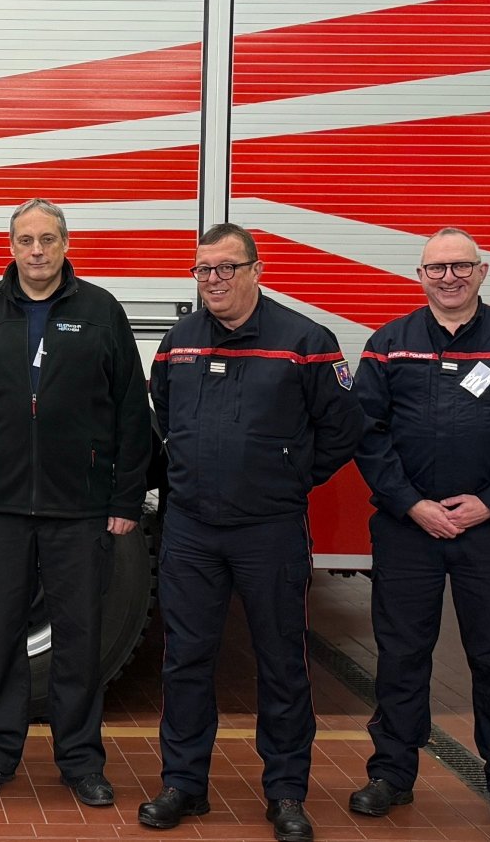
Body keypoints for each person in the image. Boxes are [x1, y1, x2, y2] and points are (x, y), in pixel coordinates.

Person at [139, 223, 362, 842]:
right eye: (202, 270)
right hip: (191, 531)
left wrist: (291, 477)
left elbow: (344, 426)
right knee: (185, 660)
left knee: (281, 663)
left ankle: (287, 793)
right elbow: (163, 414)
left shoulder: (305, 341)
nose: (213, 281)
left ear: (257, 270)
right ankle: (183, 784)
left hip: (269, 530)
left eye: (225, 268)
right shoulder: (177, 343)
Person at [348, 228, 490, 838]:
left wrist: (489, 505)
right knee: (401, 655)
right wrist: (412, 504)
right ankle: (391, 773)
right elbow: (368, 434)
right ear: (420, 275)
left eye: (460, 267)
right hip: (407, 530)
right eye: (437, 268)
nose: (449, 278)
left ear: (482, 271)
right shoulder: (390, 344)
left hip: (489, 534)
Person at [0, 198, 151, 808]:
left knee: (80, 642)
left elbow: (131, 414)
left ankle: (81, 760)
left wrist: (125, 499)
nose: (37, 250)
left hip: (80, 510)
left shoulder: (101, 311)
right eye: (26, 240)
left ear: (65, 245)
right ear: (10, 247)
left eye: (48, 239)